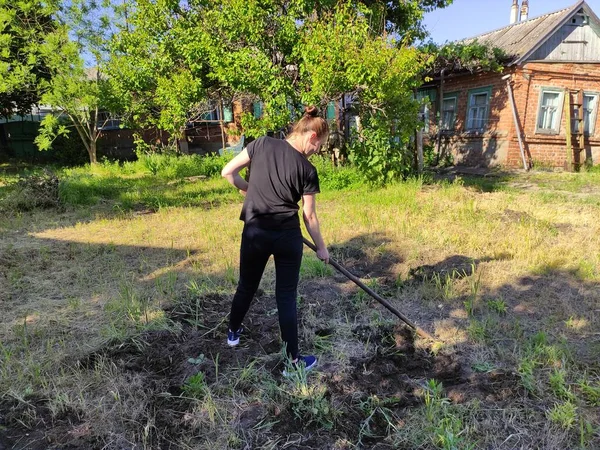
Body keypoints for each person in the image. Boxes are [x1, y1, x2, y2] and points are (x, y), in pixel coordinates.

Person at [221, 106, 330, 373]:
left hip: (255, 231)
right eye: (320, 145)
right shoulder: (307, 168)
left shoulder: (261, 144)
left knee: (247, 285)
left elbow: (227, 172)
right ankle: (293, 361)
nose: (317, 151)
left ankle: (233, 333)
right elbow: (309, 216)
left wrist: (250, 190)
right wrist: (322, 249)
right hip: (287, 237)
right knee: (285, 296)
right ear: (312, 135)